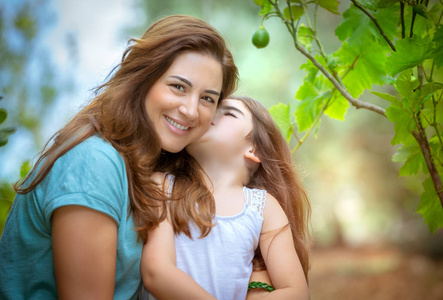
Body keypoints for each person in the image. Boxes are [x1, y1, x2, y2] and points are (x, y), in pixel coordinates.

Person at [0, 15, 238, 300]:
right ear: (143, 79)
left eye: (207, 98)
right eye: (178, 86)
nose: (190, 110)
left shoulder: (152, 168)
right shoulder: (94, 163)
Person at [141, 96, 311, 299]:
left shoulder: (263, 207)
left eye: (228, 112)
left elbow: (296, 292)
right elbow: (156, 272)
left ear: (254, 150)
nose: (209, 113)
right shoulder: (163, 186)